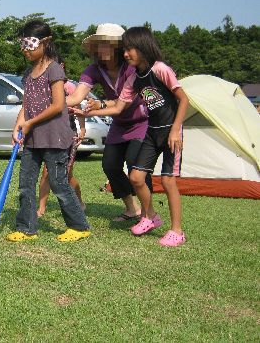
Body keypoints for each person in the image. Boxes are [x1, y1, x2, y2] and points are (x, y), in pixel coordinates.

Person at [87, 26, 189, 247]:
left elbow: (184, 99)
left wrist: (175, 130)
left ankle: (177, 231)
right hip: (152, 131)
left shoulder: (160, 69)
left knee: (168, 180)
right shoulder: (134, 79)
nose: (125, 54)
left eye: (130, 49)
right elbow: (118, 108)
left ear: (143, 46)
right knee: (135, 177)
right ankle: (150, 216)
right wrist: (89, 111)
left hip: (171, 131)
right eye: (124, 49)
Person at [6, 19, 90, 242]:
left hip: (55, 137)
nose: (25, 50)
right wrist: (18, 126)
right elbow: (27, 104)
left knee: (58, 183)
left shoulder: (54, 69)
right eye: (22, 45)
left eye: (30, 45)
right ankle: (26, 228)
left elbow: (57, 105)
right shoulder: (28, 73)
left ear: (45, 42)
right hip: (33, 139)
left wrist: (31, 123)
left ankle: (79, 227)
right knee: (25, 184)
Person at [66, 23, 155, 222]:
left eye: (107, 44)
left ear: (118, 47)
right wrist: (51, 104)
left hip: (142, 122)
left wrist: (100, 103)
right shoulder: (94, 69)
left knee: (135, 165)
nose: (102, 49)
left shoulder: (132, 67)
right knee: (110, 165)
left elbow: (125, 101)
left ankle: (148, 214)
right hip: (119, 123)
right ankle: (132, 208)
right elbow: (77, 95)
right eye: (99, 45)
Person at [37, 56, 86, 217]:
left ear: (62, 66)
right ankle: (41, 207)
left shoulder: (69, 87)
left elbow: (79, 110)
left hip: (67, 134)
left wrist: (82, 129)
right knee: (46, 172)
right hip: (49, 133)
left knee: (66, 174)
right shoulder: (43, 86)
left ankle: (78, 201)